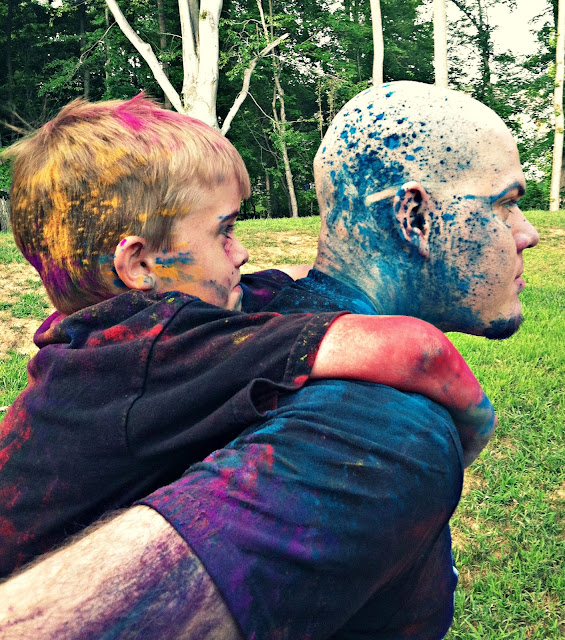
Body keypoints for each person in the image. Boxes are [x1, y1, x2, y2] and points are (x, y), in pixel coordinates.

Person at [0, 81, 539, 639]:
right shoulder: (167, 348)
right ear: (138, 266)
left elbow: (276, 285)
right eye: (225, 232)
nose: (242, 253)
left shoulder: (99, 344)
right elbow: (416, 351)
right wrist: (470, 430)